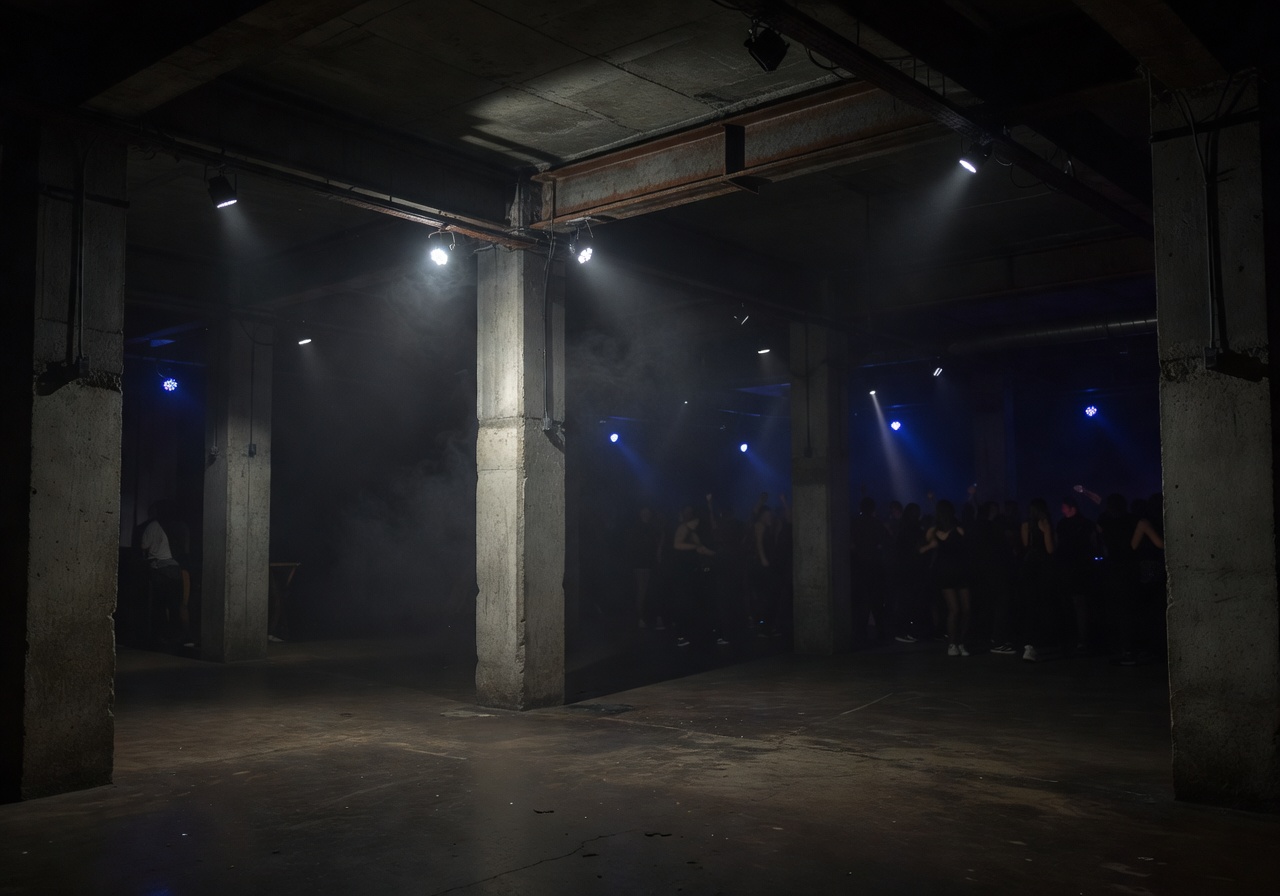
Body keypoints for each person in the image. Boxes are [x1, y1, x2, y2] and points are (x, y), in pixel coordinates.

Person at [920, 499, 971, 656]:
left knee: (965, 610)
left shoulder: (957, 529)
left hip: (957, 572)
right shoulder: (936, 530)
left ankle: (959, 642)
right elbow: (925, 546)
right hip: (948, 573)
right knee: (956, 610)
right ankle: (953, 643)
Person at [137, 501, 188, 649]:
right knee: (175, 605)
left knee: (159, 605)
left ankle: (161, 637)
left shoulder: (152, 526)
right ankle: (177, 637)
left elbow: (144, 546)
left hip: (159, 568)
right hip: (175, 568)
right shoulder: (176, 526)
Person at [672, 505, 716, 648]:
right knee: (684, 603)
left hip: (692, 571)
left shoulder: (693, 531)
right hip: (683, 572)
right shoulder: (684, 528)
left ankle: (693, 633)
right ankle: (681, 635)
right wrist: (696, 547)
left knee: (694, 603)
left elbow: (702, 548)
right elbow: (677, 545)